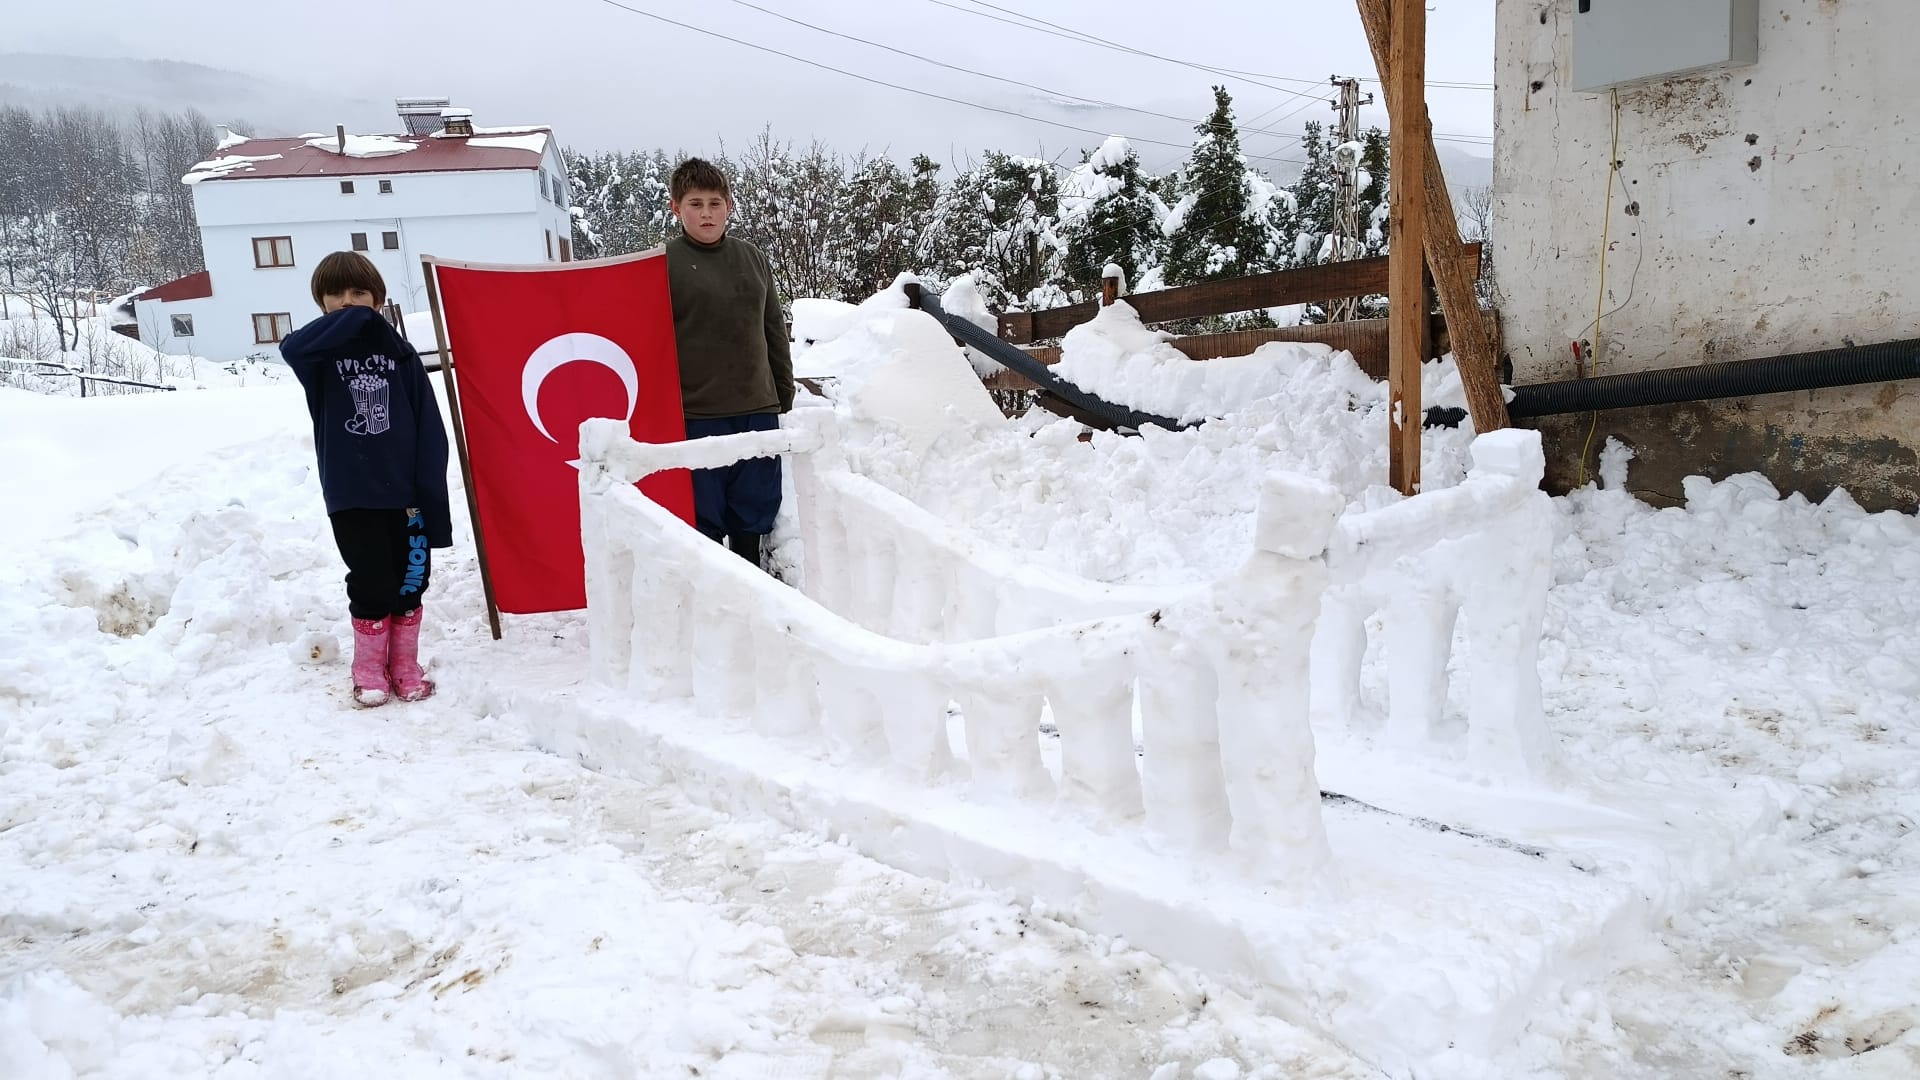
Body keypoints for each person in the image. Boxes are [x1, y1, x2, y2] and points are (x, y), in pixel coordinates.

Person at [280, 251, 452, 707]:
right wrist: (356, 321)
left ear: (379, 298)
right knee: (372, 581)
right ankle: (368, 669)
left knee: (411, 581)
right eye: (335, 294)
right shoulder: (319, 356)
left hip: (408, 494)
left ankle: (403, 666)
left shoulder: (400, 354)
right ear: (321, 302)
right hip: (352, 493)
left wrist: (431, 493)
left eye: (359, 293)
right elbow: (291, 347)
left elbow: (429, 426)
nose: (346, 301)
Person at [664, 157, 794, 568]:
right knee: (704, 514)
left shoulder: (753, 259)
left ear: (729, 205)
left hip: (756, 406)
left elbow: (772, 326)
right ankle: (710, 588)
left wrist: (782, 388)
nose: (706, 213)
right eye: (695, 203)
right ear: (676, 208)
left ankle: (750, 578)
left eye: (715, 203)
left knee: (753, 508)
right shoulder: (660, 264)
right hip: (695, 412)